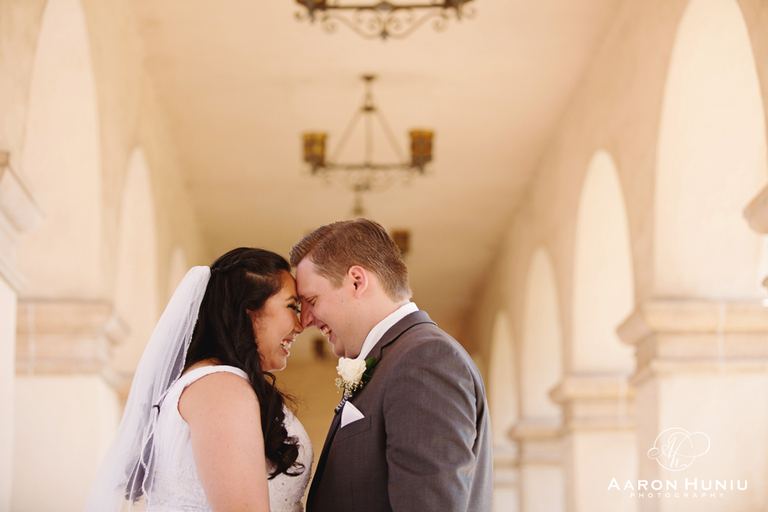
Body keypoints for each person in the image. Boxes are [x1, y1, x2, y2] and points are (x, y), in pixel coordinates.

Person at [85, 247, 313, 512]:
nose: (300, 325)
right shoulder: (222, 388)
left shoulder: (211, 383)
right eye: (291, 306)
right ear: (248, 309)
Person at [290, 218, 493, 512]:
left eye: (311, 299)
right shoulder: (399, 358)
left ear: (357, 281)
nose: (305, 319)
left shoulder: (424, 360)